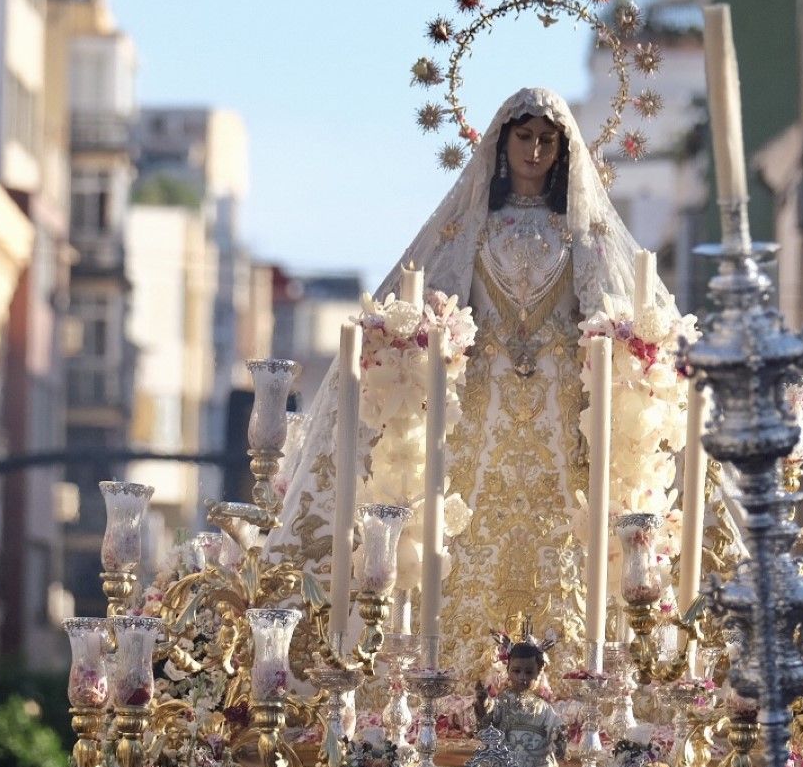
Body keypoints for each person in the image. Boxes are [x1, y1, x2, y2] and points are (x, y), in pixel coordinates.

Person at [269, 86, 652, 681]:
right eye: (523, 137)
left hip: (558, 421)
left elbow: (612, 320)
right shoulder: (470, 232)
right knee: (458, 530)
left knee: (568, 541)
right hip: (480, 416)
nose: (534, 151)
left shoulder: (583, 238)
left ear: (564, 152)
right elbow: (433, 306)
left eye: (546, 141)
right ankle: (445, 677)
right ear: (502, 146)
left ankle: (578, 681)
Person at [472, 639, 565, 767]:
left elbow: (554, 726)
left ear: (539, 673)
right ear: (508, 670)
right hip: (506, 765)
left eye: (529, 672)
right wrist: (482, 703)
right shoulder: (503, 701)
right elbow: (489, 719)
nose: (522, 678)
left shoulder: (542, 706)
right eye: (517, 671)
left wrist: (559, 736)